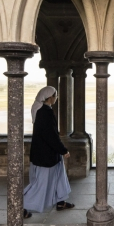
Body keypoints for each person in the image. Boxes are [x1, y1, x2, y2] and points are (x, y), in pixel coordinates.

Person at [23, 86, 74, 218]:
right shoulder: (45, 112)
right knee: (40, 185)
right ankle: (19, 207)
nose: (56, 98)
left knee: (59, 177)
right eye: (55, 95)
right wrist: (63, 150)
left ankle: (60, 201)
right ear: (50, 97)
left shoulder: (40, 109)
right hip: (45, 154)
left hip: (46, 153)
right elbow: (50, 135)